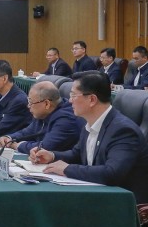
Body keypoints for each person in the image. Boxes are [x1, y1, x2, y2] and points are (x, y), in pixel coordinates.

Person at [32, 72, 148, 203]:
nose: (70, 100)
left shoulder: (123, 130)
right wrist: (52, 156)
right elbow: (76, 154)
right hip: (97, 195)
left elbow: (112, 173)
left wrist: (67, 169)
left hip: (123, 205)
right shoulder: (90, 123)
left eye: (73, 95)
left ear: (92, 99)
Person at [0, 81, 82, 155]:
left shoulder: (66, 120)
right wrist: (9, 138)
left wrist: (17, 145)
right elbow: (27, 132)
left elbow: (45, 147)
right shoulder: (43, 113)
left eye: (31, 102)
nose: (28, 106)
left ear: (47, 104)